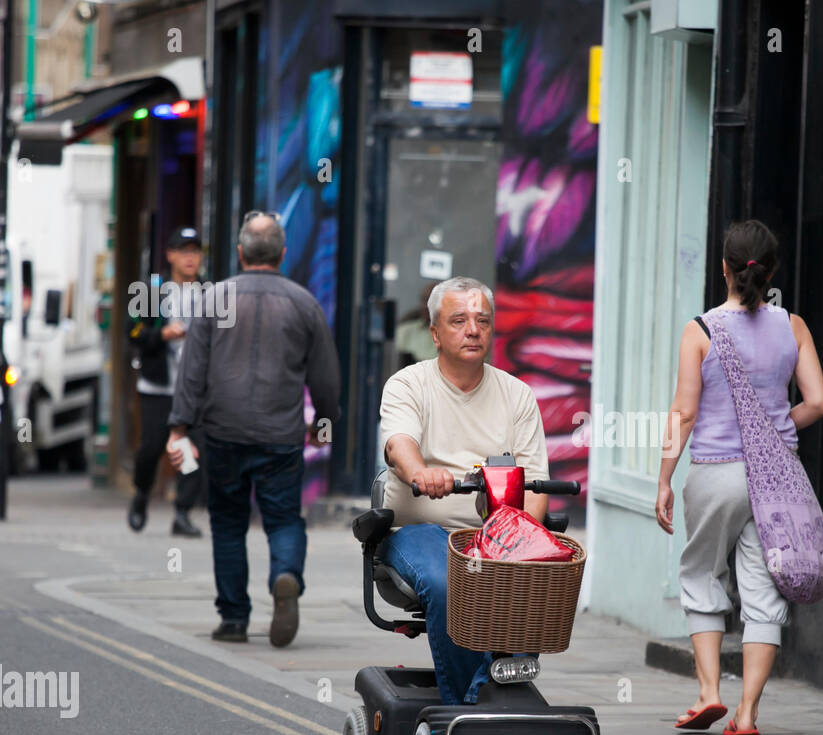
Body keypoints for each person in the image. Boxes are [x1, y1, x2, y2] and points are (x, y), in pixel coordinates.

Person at [655, 220, 823, 735]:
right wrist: (775, 432)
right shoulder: (793, 326)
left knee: (703, 574)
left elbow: (683, 413)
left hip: (716, 473)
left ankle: (709, 693)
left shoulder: (701, 330)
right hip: (774, 480)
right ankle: (748, 714)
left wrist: (664, 479)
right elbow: (817, 403)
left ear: (724, 268)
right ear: (771, 271)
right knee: (763, 591)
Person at [166, 211, 341, 647]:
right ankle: (285, 574)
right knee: (283, 519)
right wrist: (323, 422)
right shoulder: (304, 303)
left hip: (222, 433)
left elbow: (192, 371)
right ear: (282, 254)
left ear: (240, 253)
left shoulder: (213, 299)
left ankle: (233, 619)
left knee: (227, 524)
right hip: (281, 435)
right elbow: (326, 377)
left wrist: (179, 428)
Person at [379, 276, 550, 705]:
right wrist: (420, 473)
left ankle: (492, 694)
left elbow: (535, 486)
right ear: (434, 333)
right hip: (421, 530)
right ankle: (466, 708)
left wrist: (522, 544)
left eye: (482, 321)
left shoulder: (518, 396)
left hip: (497, 535)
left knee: (536, 576)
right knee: (447, 580)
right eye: (458, 321)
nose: (473, 329)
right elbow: (400, 444)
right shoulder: (408, 385)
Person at [127, 227, 207, 537]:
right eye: (183, 251)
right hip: (157, 386)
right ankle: (141, 494)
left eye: (195, 251)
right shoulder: (152, 291)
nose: (190, 257)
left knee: (192, 448)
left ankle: (182, 512)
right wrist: (161, 334)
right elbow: (132, 332)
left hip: (193, 389)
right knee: (151, 448)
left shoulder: (209, 293)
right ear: (170, 255)